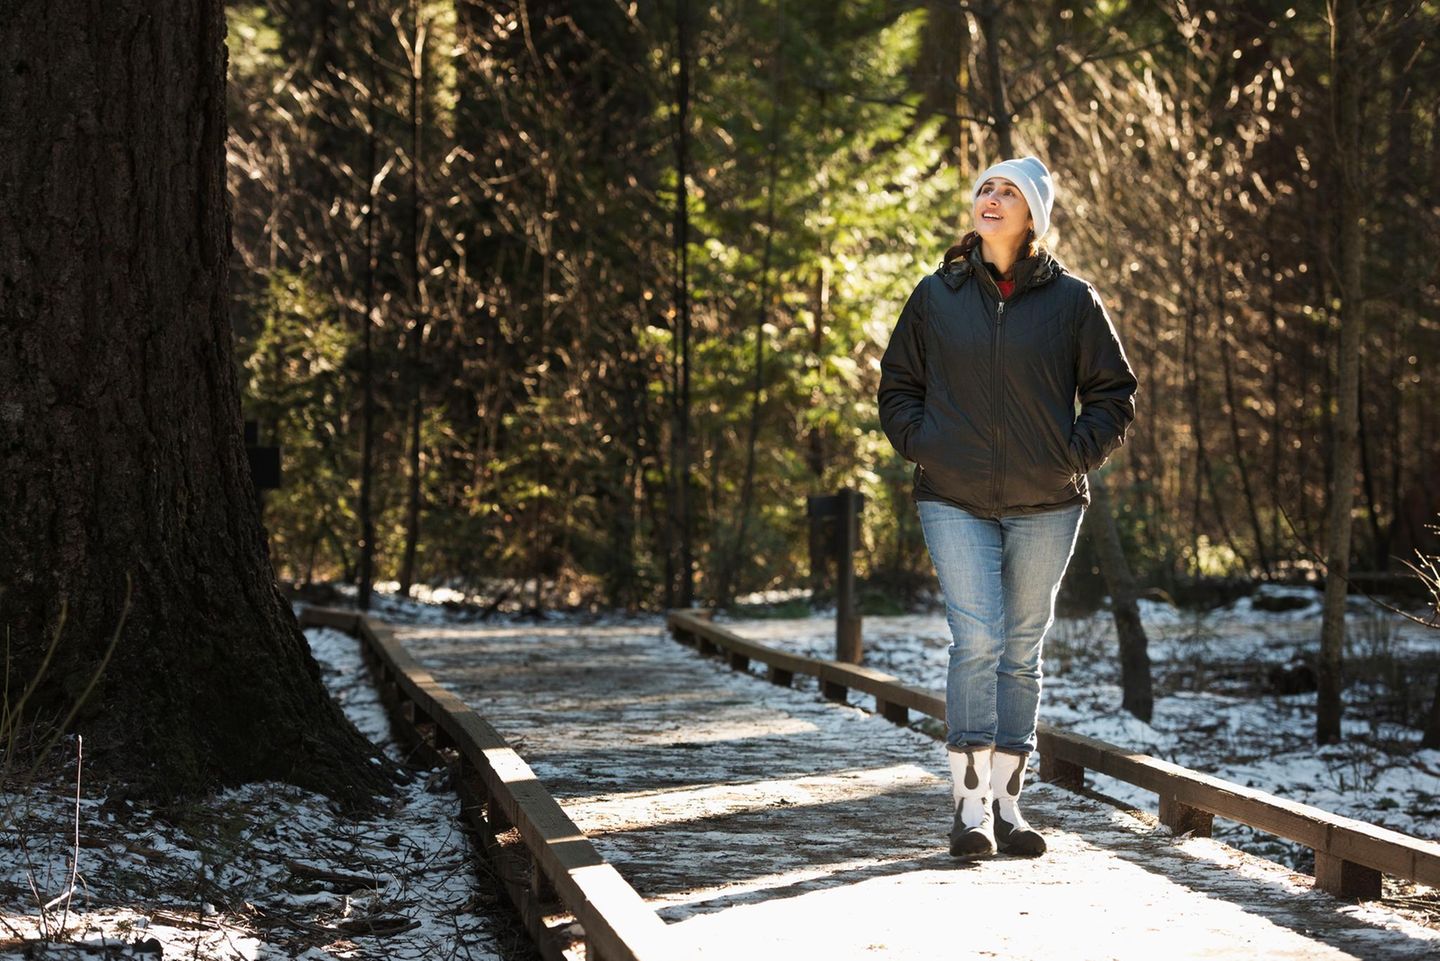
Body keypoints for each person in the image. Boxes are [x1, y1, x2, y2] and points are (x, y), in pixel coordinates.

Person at [877, 156, 1138, 859]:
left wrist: (1072, 454)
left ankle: (1009, 805)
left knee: (1021, 648)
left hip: (1047, 501)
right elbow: (897, 384)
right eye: (985, 188)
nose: (991, 198)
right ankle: (968, 811)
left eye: (1008, 192)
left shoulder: (1073, 301)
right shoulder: (937, 295)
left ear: (1033, 218)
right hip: (953, 497)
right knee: (980, 639)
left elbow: (1115, 392)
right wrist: (925, 444)